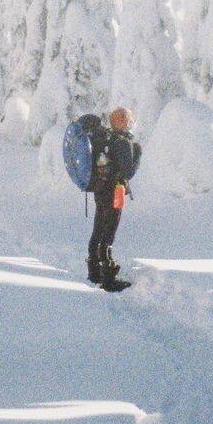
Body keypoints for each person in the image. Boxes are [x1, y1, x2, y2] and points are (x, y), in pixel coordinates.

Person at [87, 106, 140, 290]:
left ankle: (94, 271)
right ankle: (108, 278)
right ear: (122, 121)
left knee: (98, 228)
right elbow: (128, 171)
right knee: (109, 231)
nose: (129, 123)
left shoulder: (104, 139)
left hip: (100, 189)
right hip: (115, 191)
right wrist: (137, 152)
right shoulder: (121, 142)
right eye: (128, 120)